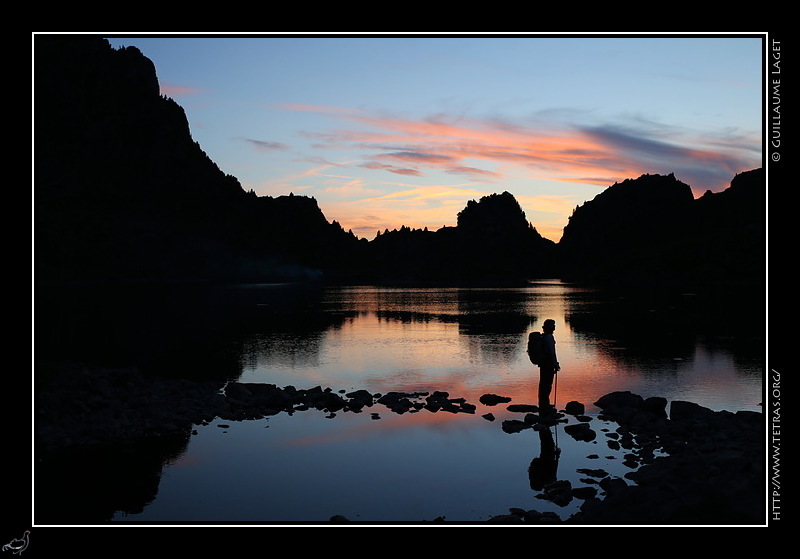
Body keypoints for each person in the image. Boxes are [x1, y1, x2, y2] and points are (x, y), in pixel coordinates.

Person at [537, 319, 560, 415]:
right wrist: (555, 364)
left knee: (543, 384)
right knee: (547, 385)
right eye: (553, 325)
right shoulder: (549, 338)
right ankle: (545, 405)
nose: (554, 327)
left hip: (543, 364)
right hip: (548, 365)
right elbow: (551, 352)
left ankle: (543, 404)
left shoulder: (544, 337)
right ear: (550, 327)